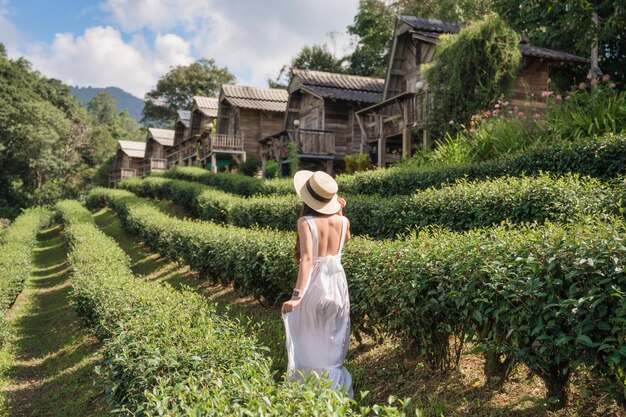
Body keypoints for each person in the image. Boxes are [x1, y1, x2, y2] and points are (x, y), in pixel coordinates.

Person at [281, 170, 353, 398]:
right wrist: (339, 210)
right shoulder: (344, 221)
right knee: (331, 348)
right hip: (337, 286)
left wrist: (297, 296)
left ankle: (310, 397)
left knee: (308, 347)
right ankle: (334, 397)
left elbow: (308, 260)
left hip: (314, 287)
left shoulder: (305, 221)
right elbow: (346, 239)